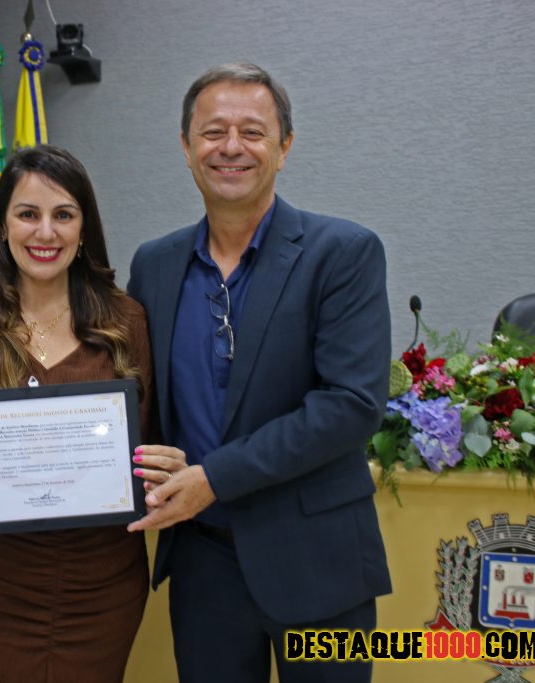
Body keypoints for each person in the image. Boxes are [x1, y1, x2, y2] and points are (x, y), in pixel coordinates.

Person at [126, 63, 392, 683]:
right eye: (213, 131)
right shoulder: (155, 264)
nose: (231, 147)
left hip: (318, 566)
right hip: (203, 566)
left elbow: (350, 403)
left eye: (252, 131)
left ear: (284, 146)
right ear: (186, 146)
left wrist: (214, 479)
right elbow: (137, 396)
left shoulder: (343, 253)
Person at [0, 145, 185, 682]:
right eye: (28, 214)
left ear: (84, 228)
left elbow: (147, 439)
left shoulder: (127, 320)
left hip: (103, 582)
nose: (46, 232)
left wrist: (165, 465)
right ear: (2, 226)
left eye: (64, 215)